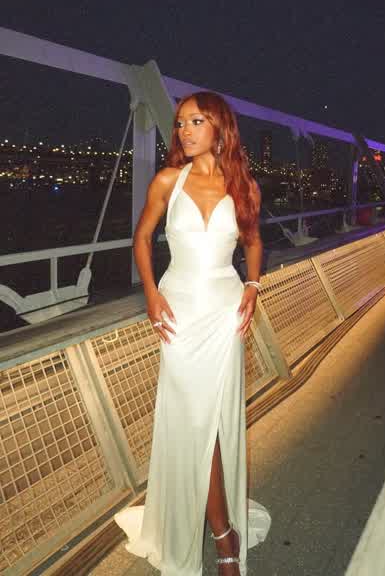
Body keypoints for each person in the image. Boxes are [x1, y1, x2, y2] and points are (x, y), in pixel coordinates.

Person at [114, 92, 271, 575]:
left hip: (225, 310)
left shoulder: (243, 186)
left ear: (219, 127)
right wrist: (150, 293)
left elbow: (253, 242)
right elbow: (142, 237)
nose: (184, 130)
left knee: (214, 421)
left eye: (195, 121)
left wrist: (252, 284)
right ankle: (224, 534)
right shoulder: (168, 180)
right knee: (192, 420)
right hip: (178, 311)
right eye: (180, 122)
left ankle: (221, 532)